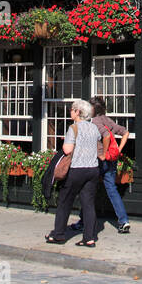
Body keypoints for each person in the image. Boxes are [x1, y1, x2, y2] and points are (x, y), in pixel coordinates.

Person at [46, 99, 101, 247]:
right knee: (88, 203)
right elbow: (96, 144)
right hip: (93, 169)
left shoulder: (74, 128)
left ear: (78, 112)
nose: (70, 111)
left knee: (65, 201)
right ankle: (89, 238)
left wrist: (65, 142)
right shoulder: (94, 128)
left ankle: (58, 235)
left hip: (77, 169)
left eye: (72, 109)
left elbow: (67, 150)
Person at [88, 96, 131, 234]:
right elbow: (125, 132)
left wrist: (104, 153)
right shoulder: (108, 120)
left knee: (88, 191)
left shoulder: (94, 121)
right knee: (112, 190)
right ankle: (123, 221)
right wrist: (118, 150)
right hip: (112, 161)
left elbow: (106, 136)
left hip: (100, 161)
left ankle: (84, 221)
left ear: (93, 109)